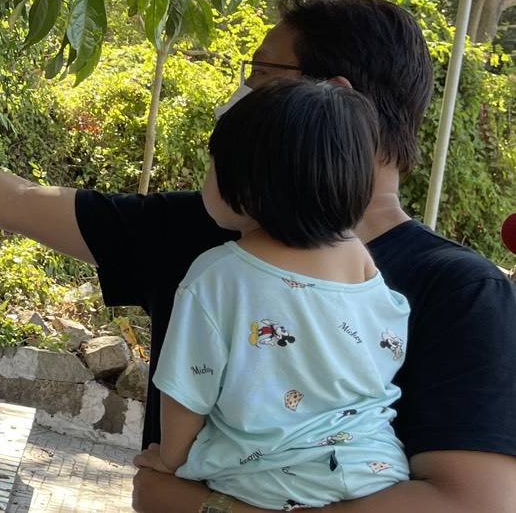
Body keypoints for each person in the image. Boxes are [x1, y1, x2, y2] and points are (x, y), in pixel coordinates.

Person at [0, 0, 516, 512]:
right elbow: (19, 200)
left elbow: (471, 503)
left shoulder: (458, 290)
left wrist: (208, 506)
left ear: (329, 98)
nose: (238, 94)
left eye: (261, 75)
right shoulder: (204, 235)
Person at [152, 79, 409, 510]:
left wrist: (171, 459)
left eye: (213, 162)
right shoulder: (360, 260)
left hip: (264, 480)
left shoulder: (219, 275)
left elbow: (187, 388)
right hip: (377, 472)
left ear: (248, 180)